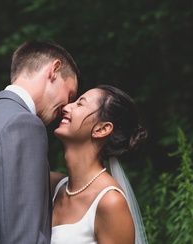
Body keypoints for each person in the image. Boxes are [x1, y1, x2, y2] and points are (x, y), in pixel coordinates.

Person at [0, 40, 79, 244]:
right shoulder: (23, 124)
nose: (66, 107)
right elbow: (23, 237)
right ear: (54, 70)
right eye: (69, 95)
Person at [50, 85, 148, 244]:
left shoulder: (110, 202)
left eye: (80, 104)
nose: (67, 107)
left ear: (102, 129)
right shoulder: (53, 186)